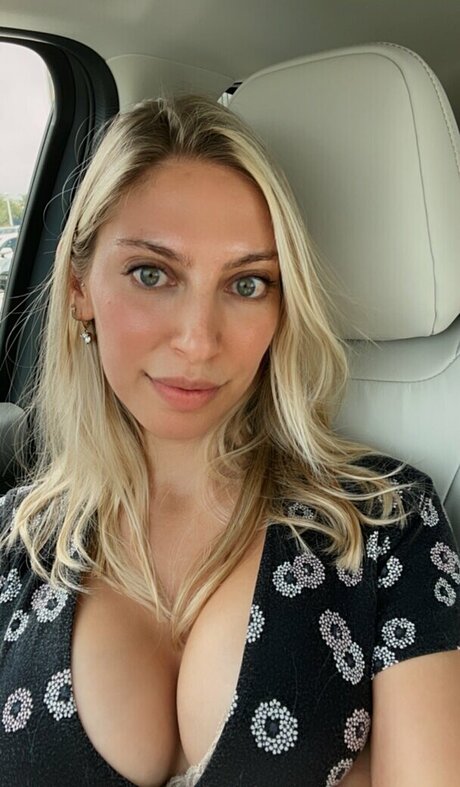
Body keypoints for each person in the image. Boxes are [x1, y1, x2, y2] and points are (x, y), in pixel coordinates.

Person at [0, 94, 459, 787]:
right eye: (152, 273)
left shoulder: (387, 522)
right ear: (79, 289)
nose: (198, 340)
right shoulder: (15, 543)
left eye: (247, 283)